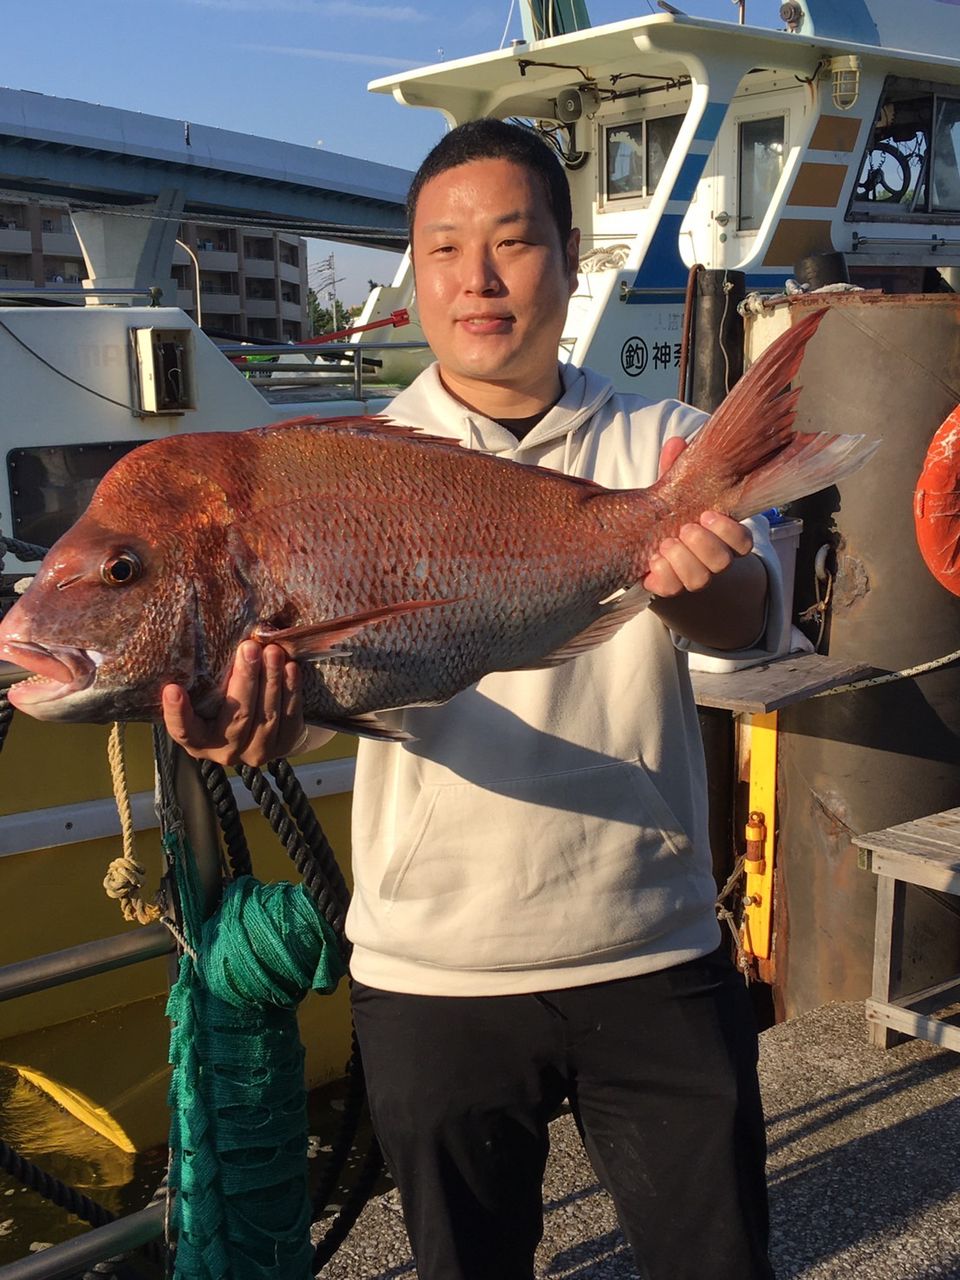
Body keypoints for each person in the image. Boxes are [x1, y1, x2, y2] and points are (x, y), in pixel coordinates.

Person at [162, 119, 778, 1280]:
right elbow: (312, 707)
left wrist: (689, 575)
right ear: (415, 268)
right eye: (443, 248)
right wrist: (246, 726)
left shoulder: (664, 442)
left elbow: (752, 614)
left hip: (654, 949)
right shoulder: (351, 460)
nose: (476, 278)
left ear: (568, 253)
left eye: (511, 240)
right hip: (432, 972)